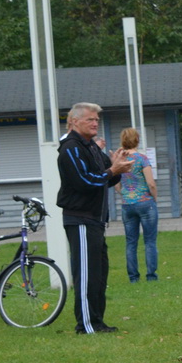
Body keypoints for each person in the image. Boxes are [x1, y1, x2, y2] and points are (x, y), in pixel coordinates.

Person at [56, 102, 133, 334]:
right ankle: (86, 325)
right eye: (90, 119)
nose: (95, 123)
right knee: (86, 275)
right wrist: (112, 170)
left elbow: (105, 179)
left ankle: (97, 322)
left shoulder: (90, 147)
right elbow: (86, 182)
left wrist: (118, 168)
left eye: (97, 120)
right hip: (80, 219)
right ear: (74, 121)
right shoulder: (71, 147)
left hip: (96, 221)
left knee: (99, 275)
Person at [114, 127, 160, 282]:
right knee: (150, 241)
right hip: (145, 202)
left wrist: (126, 195)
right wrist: (155, 198)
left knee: (131, 242)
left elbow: (117, 185)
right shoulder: (142, 159)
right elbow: (151, 183)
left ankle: (133, 277)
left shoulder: (120, 161)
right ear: (137, 140)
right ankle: (151, 276)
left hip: (127, 205)